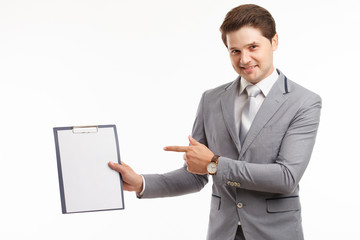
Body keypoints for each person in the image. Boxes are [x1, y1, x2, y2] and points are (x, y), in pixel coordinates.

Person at [109, 4, 321, 240]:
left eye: (253, 47)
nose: (245, 59)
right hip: (223, 233)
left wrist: (214, 163)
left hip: (276, 234)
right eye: (235, 51)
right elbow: (196, 174)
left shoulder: (304, 102)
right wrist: (141, 182)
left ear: (274, 42)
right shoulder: (211, 100)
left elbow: (286, 177)